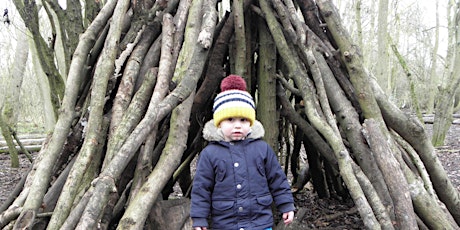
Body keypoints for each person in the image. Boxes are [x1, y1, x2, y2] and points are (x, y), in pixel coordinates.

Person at [191, 75, 295, 230]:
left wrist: (286, 205)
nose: (237, 126)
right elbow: (202, 188)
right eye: (230, 120)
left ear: (251, 122)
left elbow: (277, 180)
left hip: (260, 223)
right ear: (219, 123)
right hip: (225, 224)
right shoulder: (210, 154)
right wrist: (199, 218)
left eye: (243, 120)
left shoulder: (262, 149)